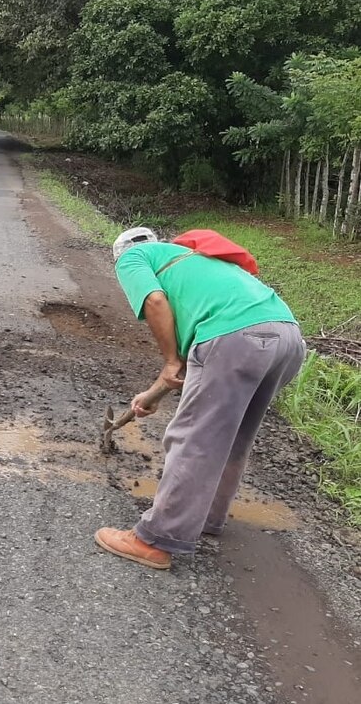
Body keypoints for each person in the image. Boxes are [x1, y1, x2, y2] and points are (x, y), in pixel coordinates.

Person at [95, 227, 306, 570]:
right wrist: (152, 394)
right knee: (233, 436)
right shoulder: (197, 259)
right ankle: (206, 517)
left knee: (194, 439)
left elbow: (155, 301)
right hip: (287, 336)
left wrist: (168, 362)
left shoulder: (133, 257)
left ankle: (155, 539)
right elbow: (181, 363)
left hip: (236, 338)